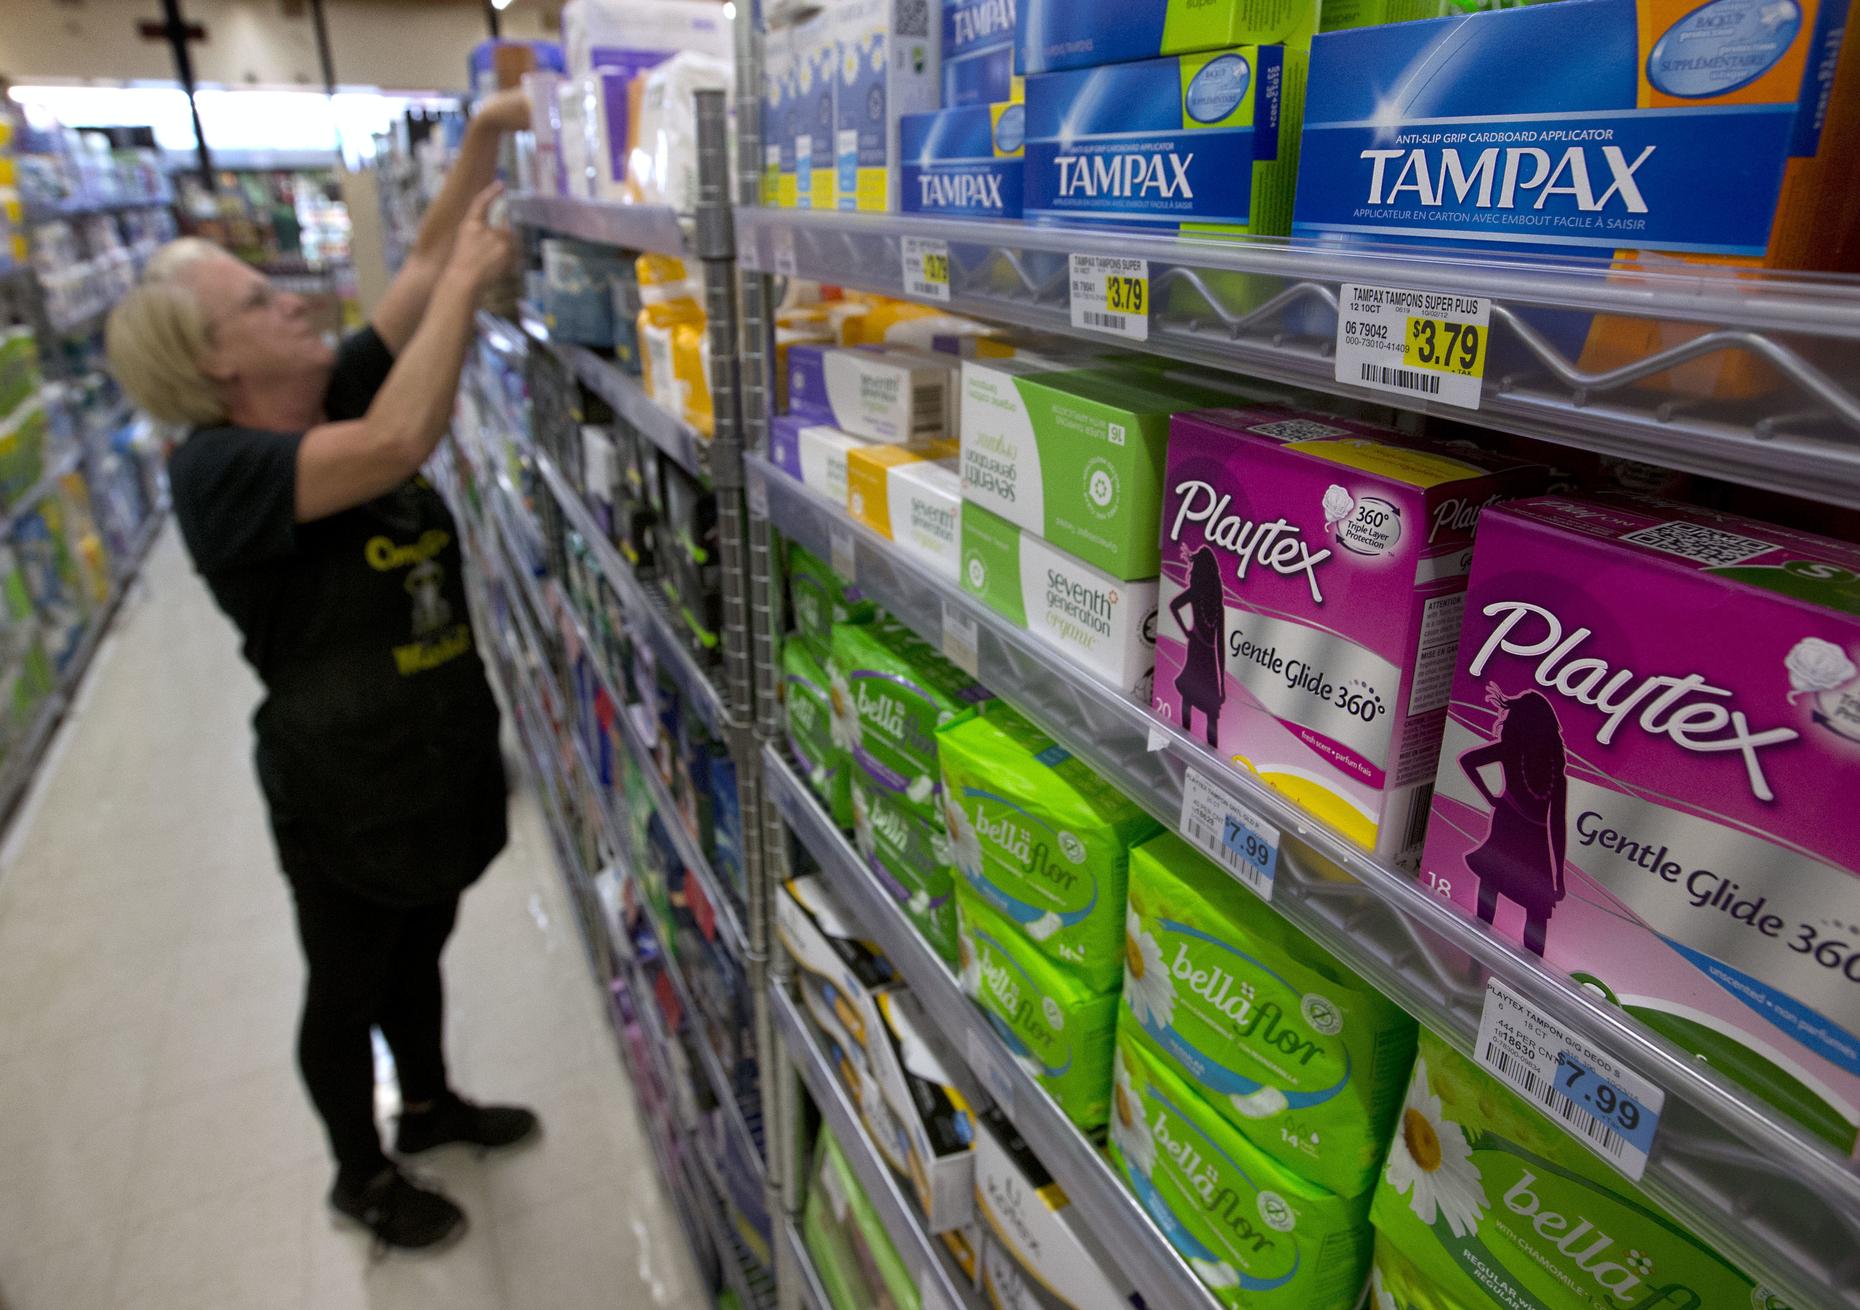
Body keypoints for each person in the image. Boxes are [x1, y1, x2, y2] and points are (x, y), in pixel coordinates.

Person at [106, 91, 538, 1253]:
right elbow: (399, 440)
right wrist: (466, 288)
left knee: (421, 945)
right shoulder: (220, 472)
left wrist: (487, 130)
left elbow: (423, 265)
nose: (293, 297)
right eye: (258, 301)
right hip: (342, 781)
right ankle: (361, 1170)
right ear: (211, 361)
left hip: (431, 749)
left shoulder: (329, 387)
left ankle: (430, 1101)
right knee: (347, 984)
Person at [1457, 682, 1569, 956]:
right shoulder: (1513, 751)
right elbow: (1468, 761)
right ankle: (1479, 945)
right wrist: (1490, 797)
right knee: (1499, 883)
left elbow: (1558, 825)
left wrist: (1559, 876)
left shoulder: (1550, 771)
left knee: (1527, 899)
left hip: (1528, 834)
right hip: (1517, 827)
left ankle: (1520, 961)